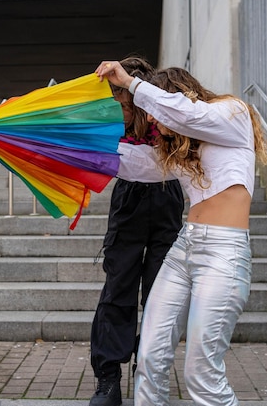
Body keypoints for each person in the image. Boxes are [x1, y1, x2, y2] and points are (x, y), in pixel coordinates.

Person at [95, 61, 267, 406]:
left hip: (223, 254)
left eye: (156, 110)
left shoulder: (231, 113)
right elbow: (132, 164)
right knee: (149, 360)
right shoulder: (182, 152)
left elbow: (188, 116)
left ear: (175, 96)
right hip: (184, 248)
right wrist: (58, 148)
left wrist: (132, 84)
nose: (154, 124)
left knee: (201, 374)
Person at [89, 57, 185, 406]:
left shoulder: (159, 108)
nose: (120, 112)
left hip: (166, 198)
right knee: (118, 289)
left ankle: (149, 368)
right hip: (128, 200)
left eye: (124, 105)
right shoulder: (109, 121)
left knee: (162, 292)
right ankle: (108, 379)